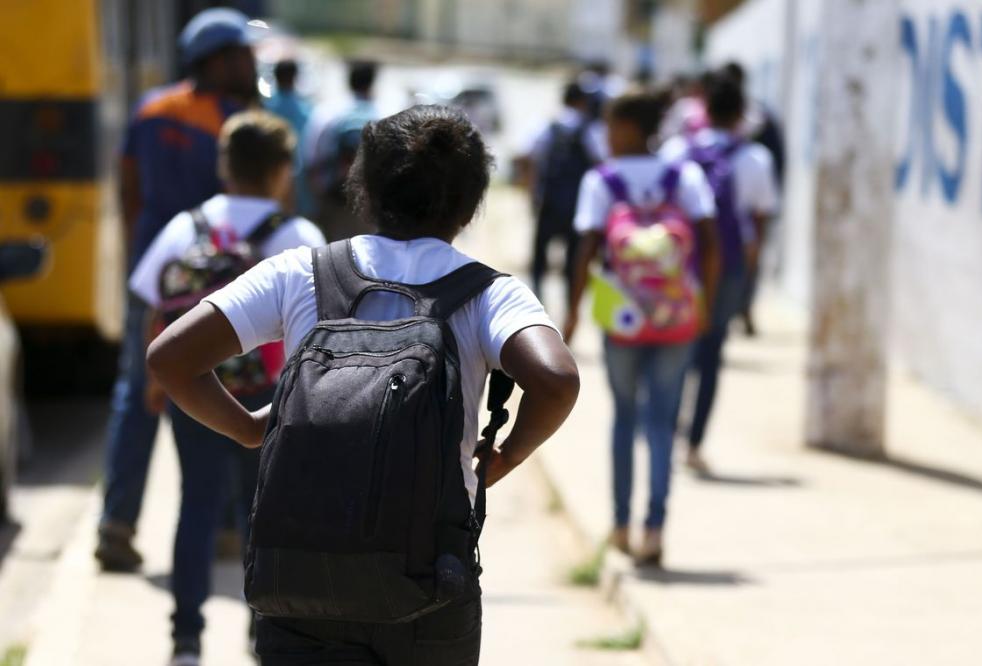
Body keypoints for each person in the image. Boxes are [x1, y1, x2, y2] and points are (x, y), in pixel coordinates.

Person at [145, 104, 579, 665]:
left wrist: (252, 429)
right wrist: (507, 455)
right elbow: (557, 379)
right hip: (428, 585)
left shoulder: (299, 272)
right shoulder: (489, 294)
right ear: (471, 205)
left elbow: (171, 358)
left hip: (299, 583)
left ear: (362, 187)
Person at [130, 111, 325, 666]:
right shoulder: (296, 236)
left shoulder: (184, 226)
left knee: (195, 505)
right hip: (270, 399)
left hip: (194, 392)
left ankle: (186, 639)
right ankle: (261, 634)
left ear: (225, 166)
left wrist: (155, 382)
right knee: (261, 517)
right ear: (283, 170)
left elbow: (155, 307)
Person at [95, 7, 258, 572]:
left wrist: (137, 267)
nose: (251, 63)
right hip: (210, 287)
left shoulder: (150, 109)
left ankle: (117, 522)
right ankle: (224, 529)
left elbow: (128, 191)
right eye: (242, 54)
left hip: (151, 273)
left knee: (135, 397)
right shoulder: (232, 120)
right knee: (223, 396)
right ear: (216, 60)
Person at [565, 91, 719, 566]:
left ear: (631, 128)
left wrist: (571, 312)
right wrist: (705, 305)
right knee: (662, 421)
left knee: (625, 416)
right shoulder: (684, 176)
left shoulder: (602, 180)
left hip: (622, 317)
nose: (607, 137)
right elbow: (711, 244)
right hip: (676, 315)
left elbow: (587, 250)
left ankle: (620, 525)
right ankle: (655, 528)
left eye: (612, 127)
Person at [660, 74, 779, 474]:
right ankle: (694, 443)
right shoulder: (756, 158)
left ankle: (668, 431)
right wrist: (749, 268)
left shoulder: (677, 150)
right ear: (741, 115)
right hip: (727, 265)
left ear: (704, 110)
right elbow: (760, 220)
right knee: (711, 352)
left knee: (675, 348)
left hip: (677, 264)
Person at [719, 61, 786, 336]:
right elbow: (777, 161)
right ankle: (743, 308)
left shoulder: (693, 130)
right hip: (747, 218)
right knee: (748, 267)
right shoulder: (763, 116)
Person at [525, 81, 605, 307]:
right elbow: (601, 163)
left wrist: (532, 193)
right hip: (577, 206)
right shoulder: (590, 129)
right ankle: (571, 308)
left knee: (540, 258)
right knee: (572, 260)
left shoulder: (546, 125)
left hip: (548, 202)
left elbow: (528, 157)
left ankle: (536, 305)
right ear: (582, 101)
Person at [306, 59, 381, 241]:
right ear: (372, 83)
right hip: (367, 202)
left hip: (332, 197)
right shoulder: (382, 114)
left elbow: (310, 158)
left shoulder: (326, 112)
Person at [264, 58, 314, 216]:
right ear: (295, 77)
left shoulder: (264, 107)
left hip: (267, 176)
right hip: (299, 181)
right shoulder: (306, 110)